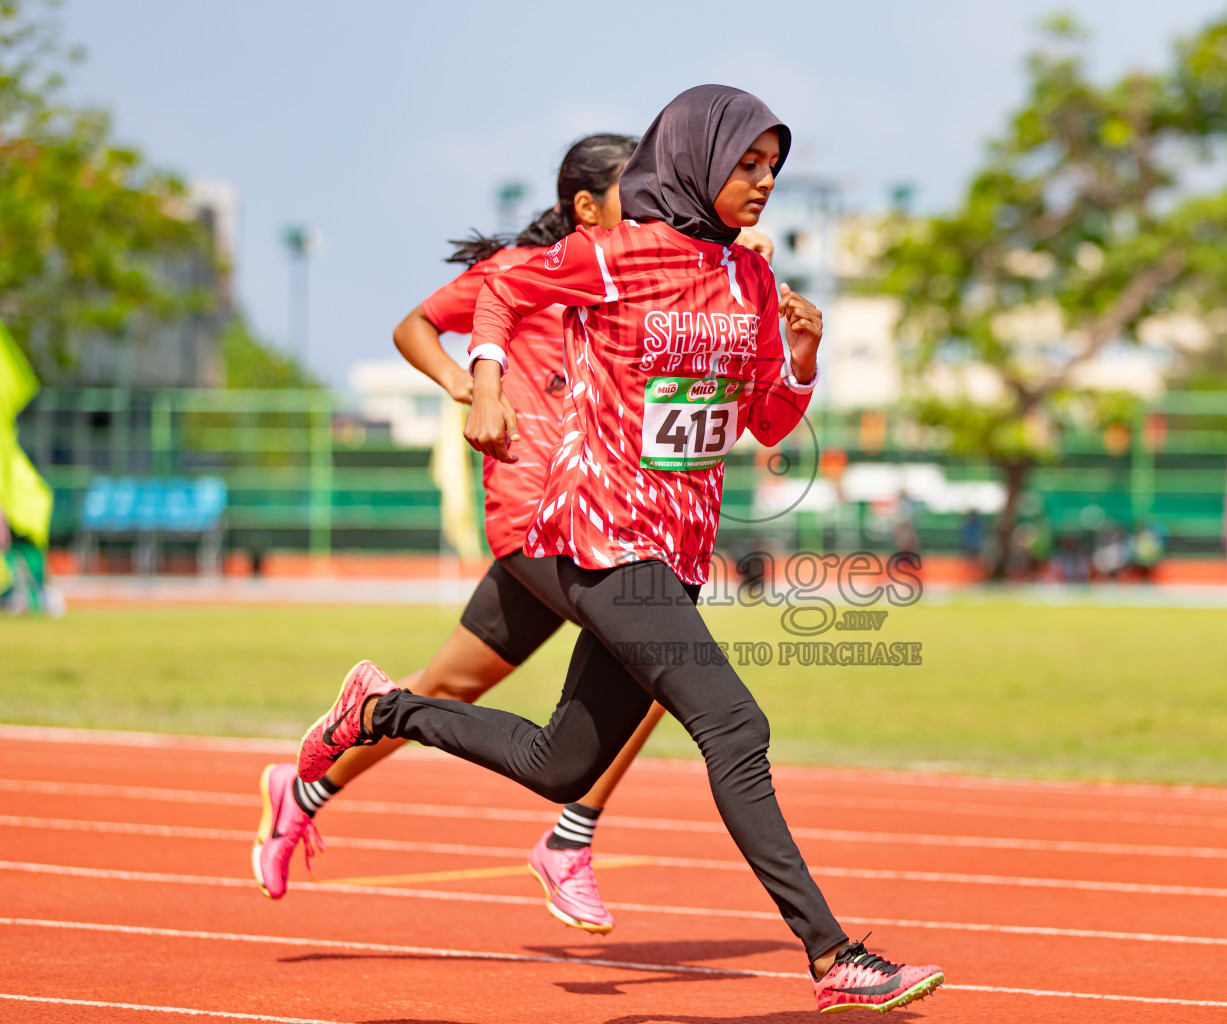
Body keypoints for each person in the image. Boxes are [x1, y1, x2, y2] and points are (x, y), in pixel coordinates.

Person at [295, 85, 943, 1014]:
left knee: (560, 763)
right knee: (735, 726)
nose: (762, 184)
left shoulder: (751, 281)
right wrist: (480, 385)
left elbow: (763, 424)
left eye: (772, 168)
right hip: (601, 532)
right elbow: (504, 290)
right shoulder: (620, 255)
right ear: (692, 157)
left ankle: (380, 710)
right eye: (745, 164)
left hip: (676, 549)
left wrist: (801, 358)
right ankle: (834, 955)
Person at [254, 133, 774, 934]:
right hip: (539, 516)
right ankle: (571, 837)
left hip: (598, 519)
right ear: (587, 208)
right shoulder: (532, 273)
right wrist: (473, 388)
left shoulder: (648, 272)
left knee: (449, 687)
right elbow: (418, 326)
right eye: (632, 200)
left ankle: (307, 787)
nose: (652, 213)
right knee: (662, 662)